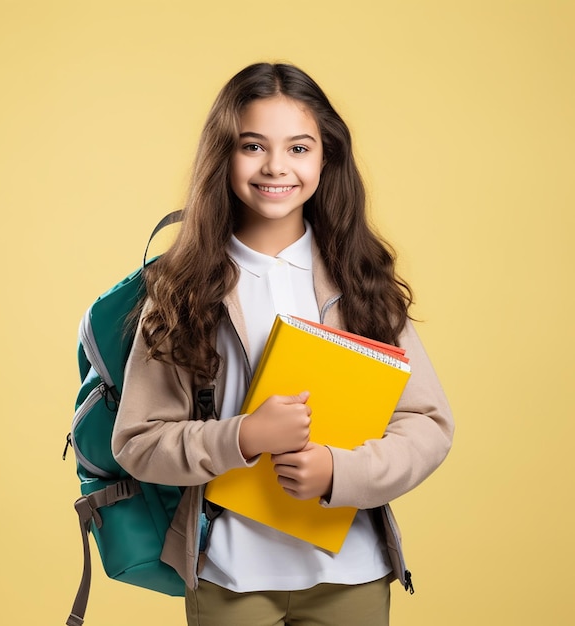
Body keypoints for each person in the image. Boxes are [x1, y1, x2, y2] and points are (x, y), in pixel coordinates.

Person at [112, 62, 454, 626]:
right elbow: (139, 442)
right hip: (229, 578)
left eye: (299, 147)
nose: (276, 166)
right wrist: (243, 435)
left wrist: (339, 473)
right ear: (223, 156)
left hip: (353, 575)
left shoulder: (361, 279)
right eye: (253, 145)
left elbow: (427, 424)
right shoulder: (183, 288)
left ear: (326, 159)